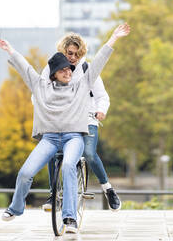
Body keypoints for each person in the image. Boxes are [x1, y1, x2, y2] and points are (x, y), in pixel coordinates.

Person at [0, 23, 130, 235]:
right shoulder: (41, 85)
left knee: (70, 164)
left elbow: (99, 63)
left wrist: (113, 38)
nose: (69, 70)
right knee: (25, 173)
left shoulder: (81, 83)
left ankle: (70, 218)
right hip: (49, 138)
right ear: (53, 73)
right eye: (64, 68)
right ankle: (16, 208)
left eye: (71, 67)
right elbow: (25, 68)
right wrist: (10, 50)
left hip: (73, 136)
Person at [39, 33, 121, 212]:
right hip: (63, 120)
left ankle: (108, 189)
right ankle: (54, 194)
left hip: (86, 119)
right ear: (63, 51)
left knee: (89, 154)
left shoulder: (86, 69)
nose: (73, 58)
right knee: (52, 153)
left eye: (77, 54)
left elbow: (102, 96)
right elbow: (38, 92)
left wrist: (101, 110)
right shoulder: (51, 69)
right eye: (69, 53)